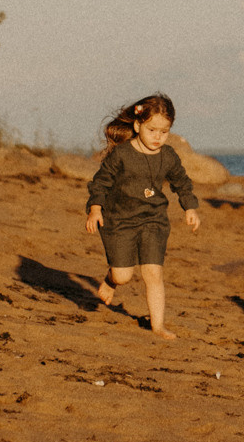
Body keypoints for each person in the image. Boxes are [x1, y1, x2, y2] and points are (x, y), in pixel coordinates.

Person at [85, 93, 199, 339]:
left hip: (153, 220)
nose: (158, 137)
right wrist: (95, 209)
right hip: (120, 220)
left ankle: (158, 326)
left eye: (164, 131)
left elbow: (182, 181)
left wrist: (190, 207)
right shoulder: (122, 154)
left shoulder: (168, 156)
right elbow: (101, 183)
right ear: (137, 126)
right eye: (152, 130)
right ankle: (111, 279)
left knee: (153, 273)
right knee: (123, 275)